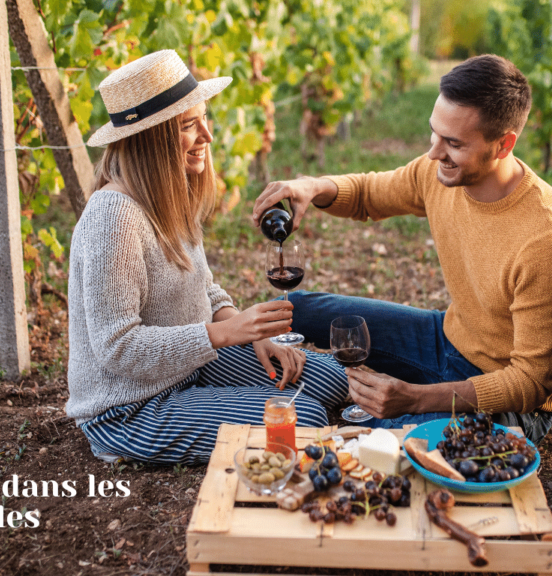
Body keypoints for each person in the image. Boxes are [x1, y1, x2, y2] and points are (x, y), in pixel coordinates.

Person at [251, 55, 552, 443]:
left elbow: (530, 383)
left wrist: (416, 399)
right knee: (299, 309)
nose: (433, 153)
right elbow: (368, 194)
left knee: (385, 440)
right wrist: (313, 185)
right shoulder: (438, 172)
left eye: (453, 143)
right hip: (444, 338)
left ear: (503, 144)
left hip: (503, 400)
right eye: (434, 134)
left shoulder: (547, 241)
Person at [67, 50, 349, 465]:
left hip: (189, 367)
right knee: (299, 416)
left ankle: (211, 401)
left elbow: (204, 286)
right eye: (188, 126)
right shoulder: (114, 219)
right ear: (153, 138)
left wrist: (252, 334)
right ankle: (135, 436)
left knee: (329, 378)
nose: (208, 136)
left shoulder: (168, 194)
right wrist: (225, 334)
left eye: (204, 118)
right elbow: (118, 348)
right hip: (129, 408)